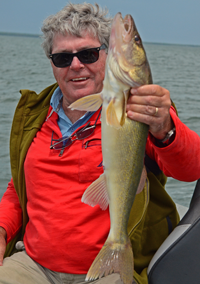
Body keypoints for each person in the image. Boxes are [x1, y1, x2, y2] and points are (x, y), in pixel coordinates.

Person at [0, 2, 200, 284]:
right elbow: (18, 188)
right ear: (52, 64)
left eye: (89, 54)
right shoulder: (33, 115)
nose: (76, 65)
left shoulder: (141, 110)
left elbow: (191, 168)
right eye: (62, 58)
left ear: (107, 55)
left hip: (105, 269)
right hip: (34, 264)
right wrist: (2, 229)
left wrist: (165, 127)